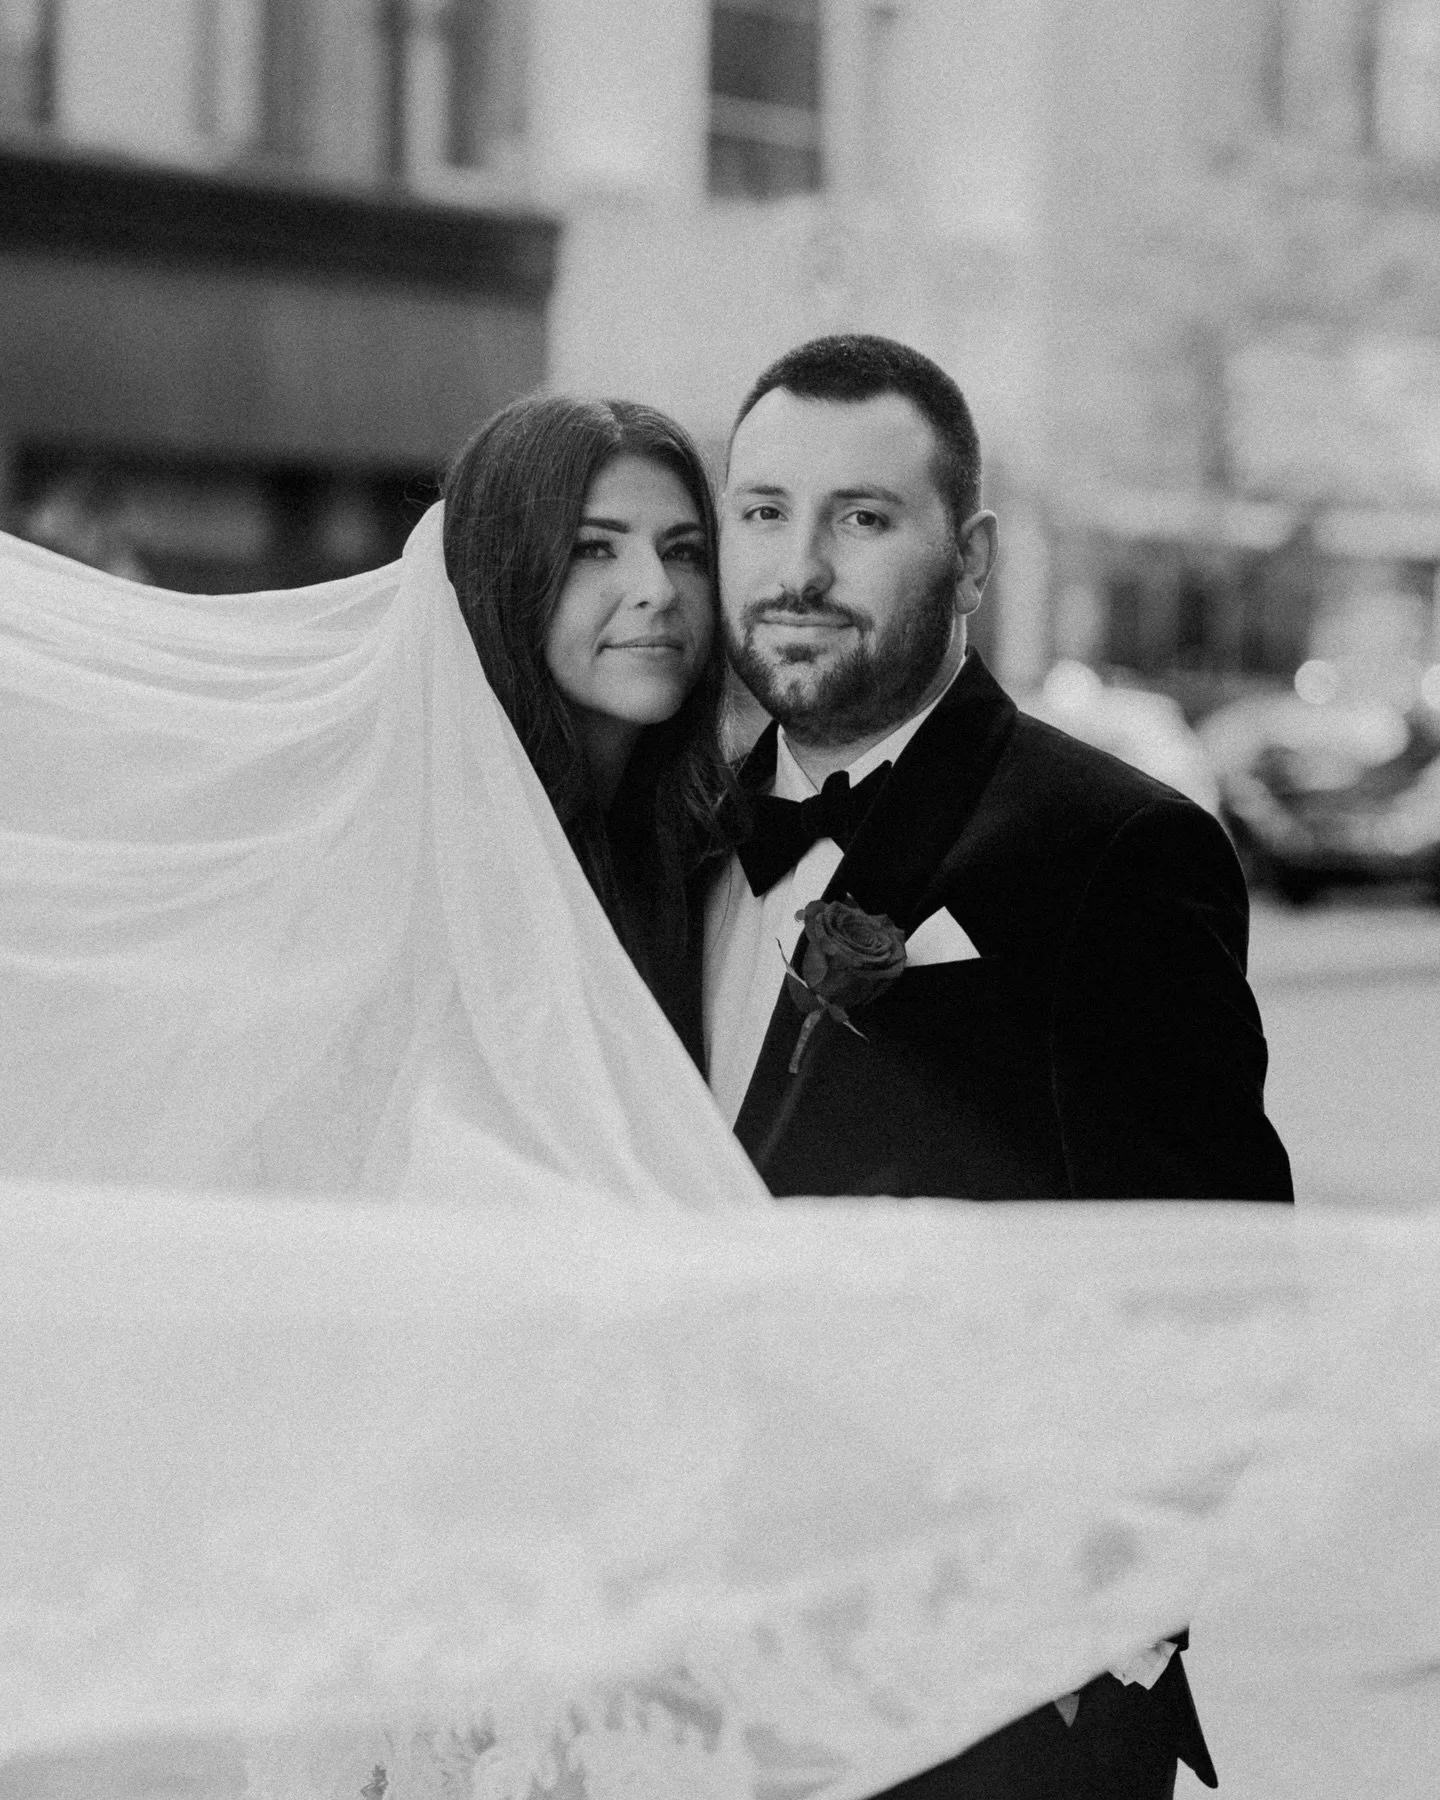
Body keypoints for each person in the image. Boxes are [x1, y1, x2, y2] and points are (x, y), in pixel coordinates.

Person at [703, 333, 1296, 1798]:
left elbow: (1211, 1290)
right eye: (765, 512)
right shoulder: (666, 848)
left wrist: (1083, 1656)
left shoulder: (1114, 850)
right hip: (697, 1689)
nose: (802, 566)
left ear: (968, 559)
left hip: (989, 1718)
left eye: (864, 517)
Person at [442, 393, 742, 1066]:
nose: (658, 588)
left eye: (686, 551)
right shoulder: (447, 851)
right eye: (595, 548)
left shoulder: (708, 846)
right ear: (507, 574)